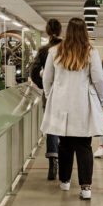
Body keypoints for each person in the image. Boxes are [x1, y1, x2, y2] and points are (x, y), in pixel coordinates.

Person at [41, 18, 103, 200]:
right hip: (83, 103)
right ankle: (86, 187)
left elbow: (47, 79)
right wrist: (99, 100)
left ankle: (65, 181)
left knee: (65, 144)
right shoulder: (91, 52)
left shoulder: (54, 51)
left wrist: (51, 96)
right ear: (85, 32)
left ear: (67, 31)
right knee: (84, 145)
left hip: (61, 103)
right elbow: (100, 80)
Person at [29, 18, 62, 180]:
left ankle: (52, 161)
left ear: (47, 32)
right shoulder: (66, 48)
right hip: (65, 95)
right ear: (61, 31)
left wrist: (43, 86)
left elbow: (34, 72)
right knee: (65, 128)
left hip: (49, 95)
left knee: (51, 128)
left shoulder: (43, 50)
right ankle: (64, 159)